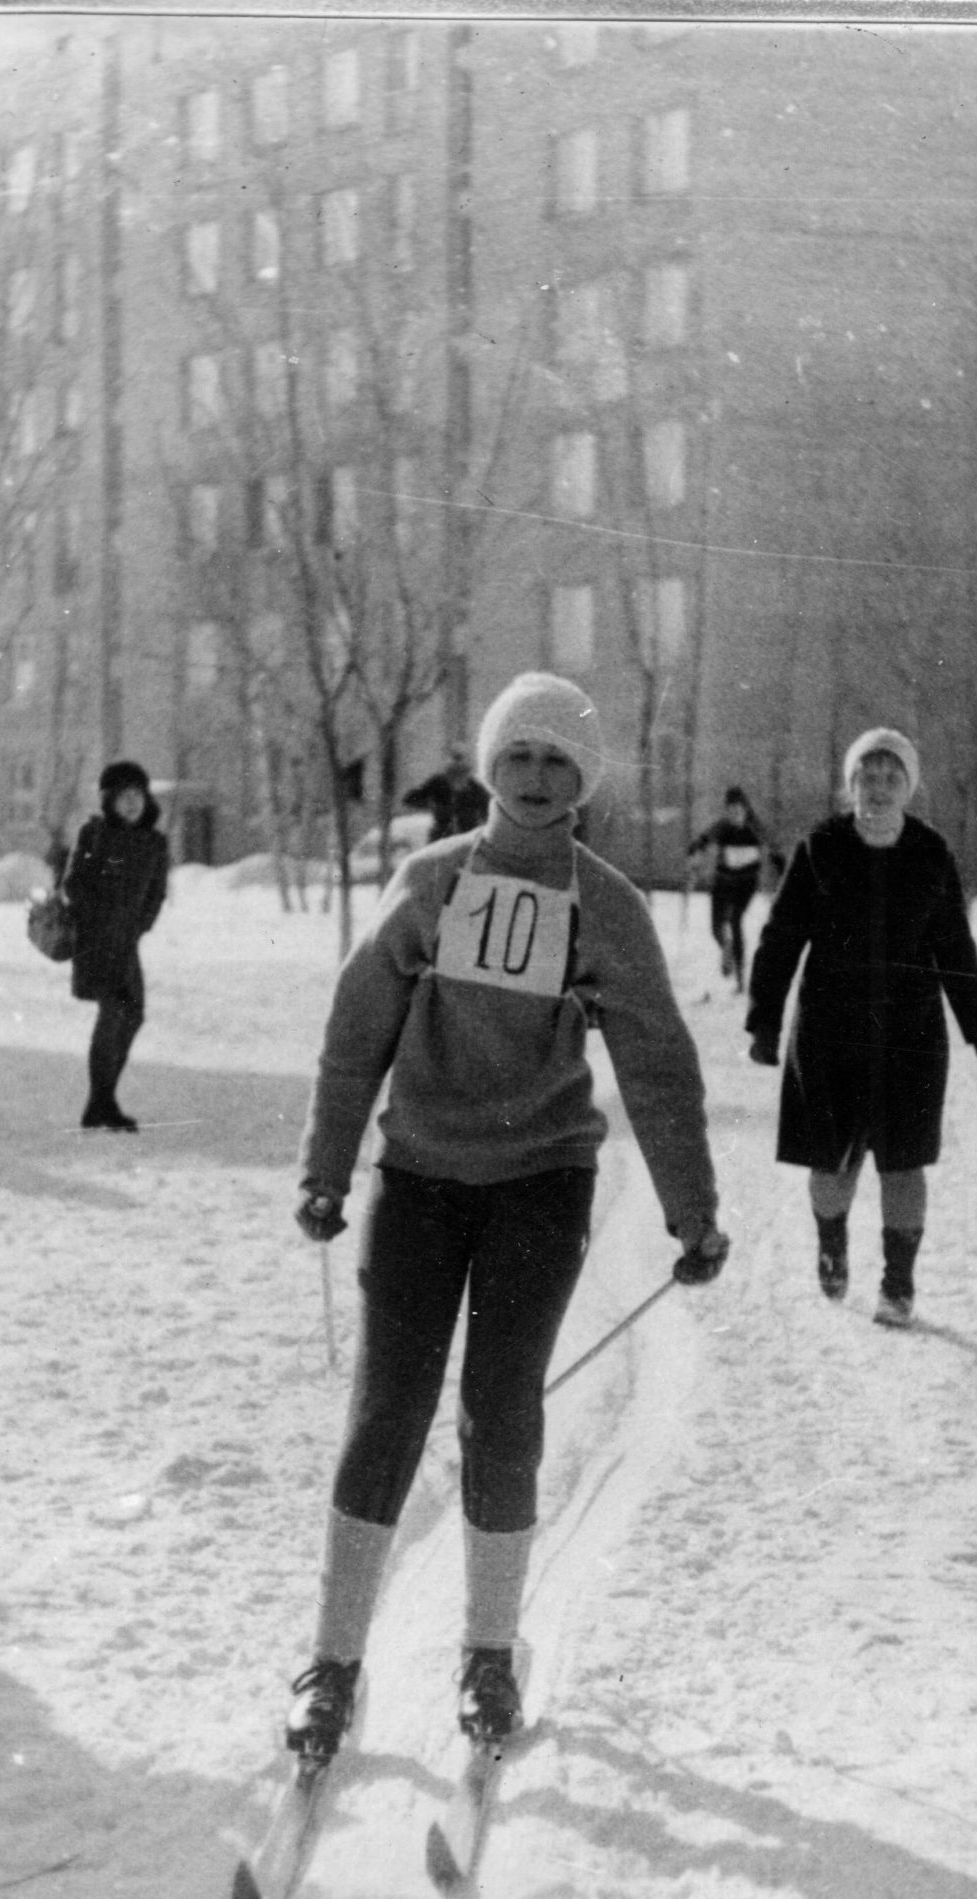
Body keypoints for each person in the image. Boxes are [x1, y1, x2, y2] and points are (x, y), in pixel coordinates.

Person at [282, 672, 730, 1759]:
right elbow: (355, 1035)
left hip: (539, 1182)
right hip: (420, 1179)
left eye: (558, 761)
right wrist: (326, 1171)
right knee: (386, 1413)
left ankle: (489, 1653)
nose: (535, 777)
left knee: (501, 1410)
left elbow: (657, 1064)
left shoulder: (605, 905)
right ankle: (332, 1664)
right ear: (490, 765)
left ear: (585, 780)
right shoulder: (431, 882)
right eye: (518, 755)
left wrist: (692, 1211)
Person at [745, 729, 977, 1329]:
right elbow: (781, 938)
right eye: (869, 774)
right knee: (831, 1168)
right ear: (851, 782)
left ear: (908, 787)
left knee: (903, 1164)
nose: (879, 787)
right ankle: (831, 1240)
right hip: (830, 1031)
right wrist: (764, 1021)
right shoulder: (821, 848)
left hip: (910, 1033)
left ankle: (898, 1284)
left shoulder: (931, 852)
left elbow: (955, 947)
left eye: (892, 777)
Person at [62, 759, 171, 1131]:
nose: (132, 802)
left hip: (126, 944)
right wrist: (102, 915)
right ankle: (101, 1104)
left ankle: (101, 1102)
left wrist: (140, 925)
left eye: (138, 794)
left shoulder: (154, 842)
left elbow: (157, 893)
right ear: (109, 799)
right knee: (113, 1015)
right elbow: (72, 884)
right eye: (124, 795)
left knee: (133, 1015)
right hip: (96, 941)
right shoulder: (94, 833)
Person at [684, 785, 778, 991]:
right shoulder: (722, 827)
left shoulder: (755, 828)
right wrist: (694, 852)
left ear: (745, 810)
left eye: (738, 811)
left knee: (735, 920)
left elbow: (774, 850)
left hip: (745, 883)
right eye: (730, 811)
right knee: (715, 928)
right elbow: (702, 840)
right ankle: (728, 950)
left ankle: (740, 976)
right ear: (726, 811)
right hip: (723, 881)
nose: (734, 815)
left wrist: (779, 869)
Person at [401, 742, 491, 841]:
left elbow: (488, 810)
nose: (458, 766)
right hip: (442, 837)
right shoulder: (437, 783)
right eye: (455, 760)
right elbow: (410, 799)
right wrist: (432, 805)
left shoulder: (474, 787)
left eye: (461, 760)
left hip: (467, 838)